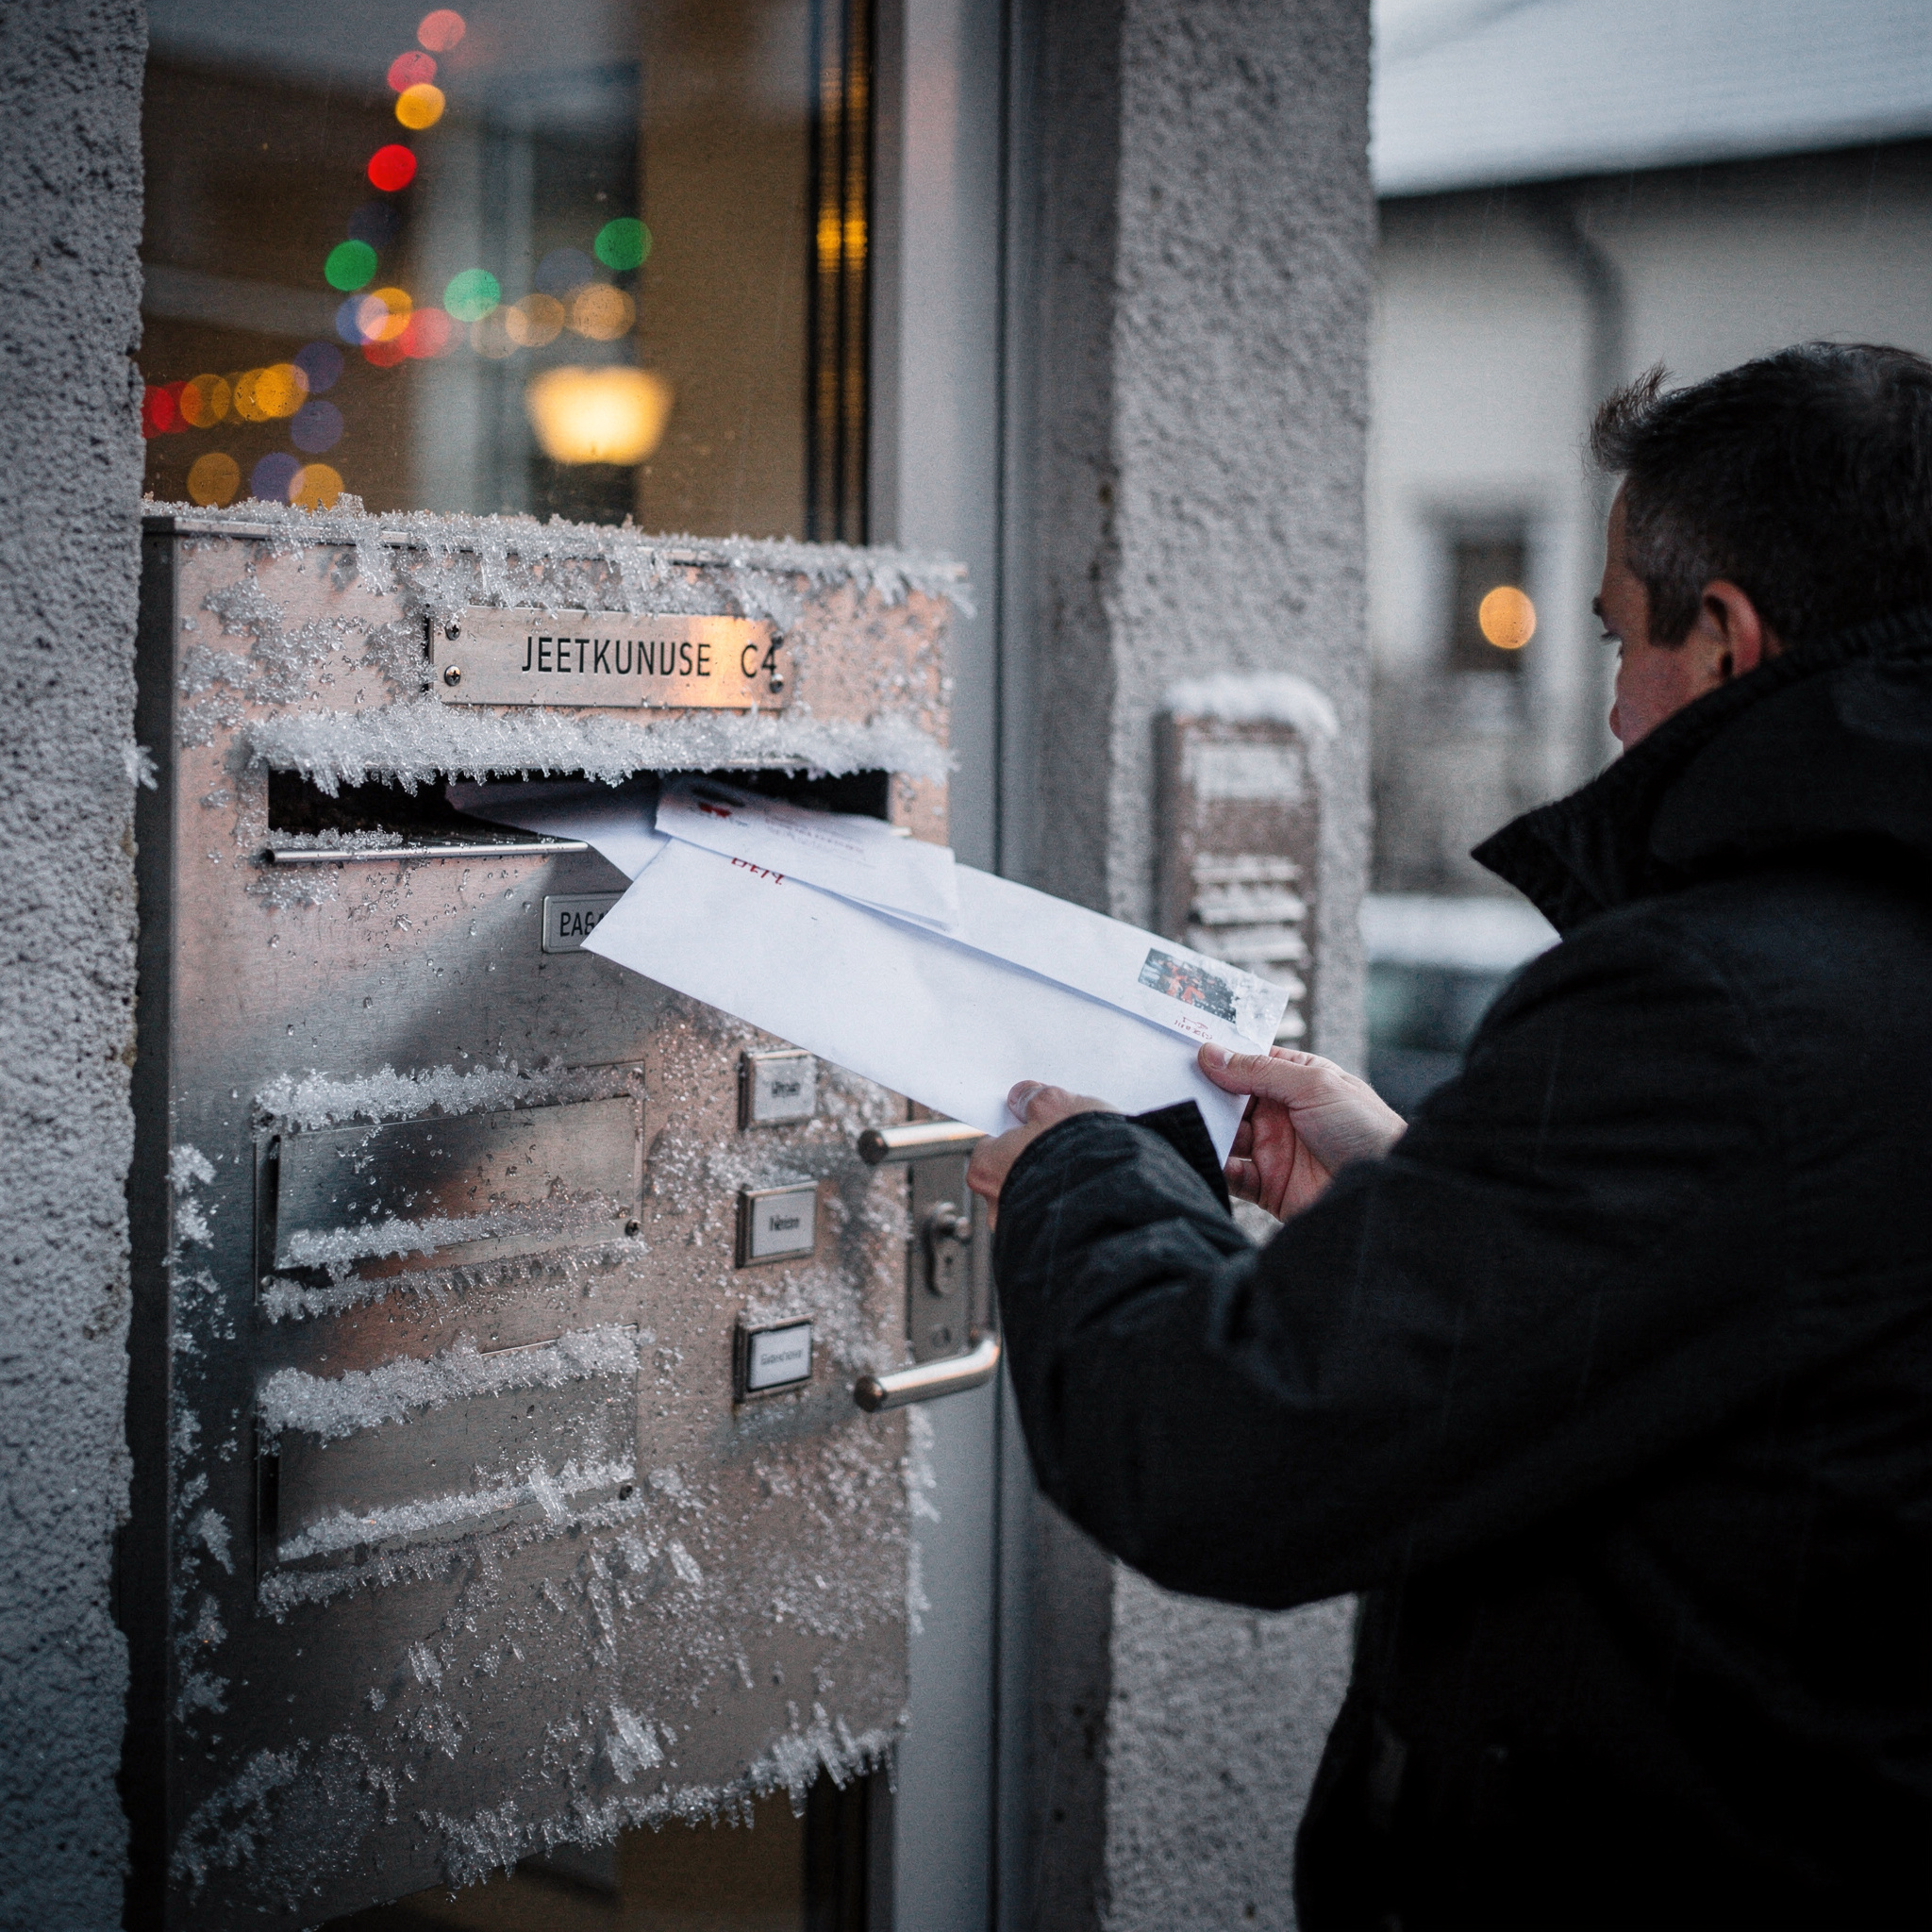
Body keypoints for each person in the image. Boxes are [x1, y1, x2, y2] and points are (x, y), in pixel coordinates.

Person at [967, 344, 1932, 1930]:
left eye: (1621, 636)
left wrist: (1087, 1165)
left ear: (1731, 638)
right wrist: (1421, 1195)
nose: (1614, 707)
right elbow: (1768, 1302)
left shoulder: (1722, 1006)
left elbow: (1228, 1453)